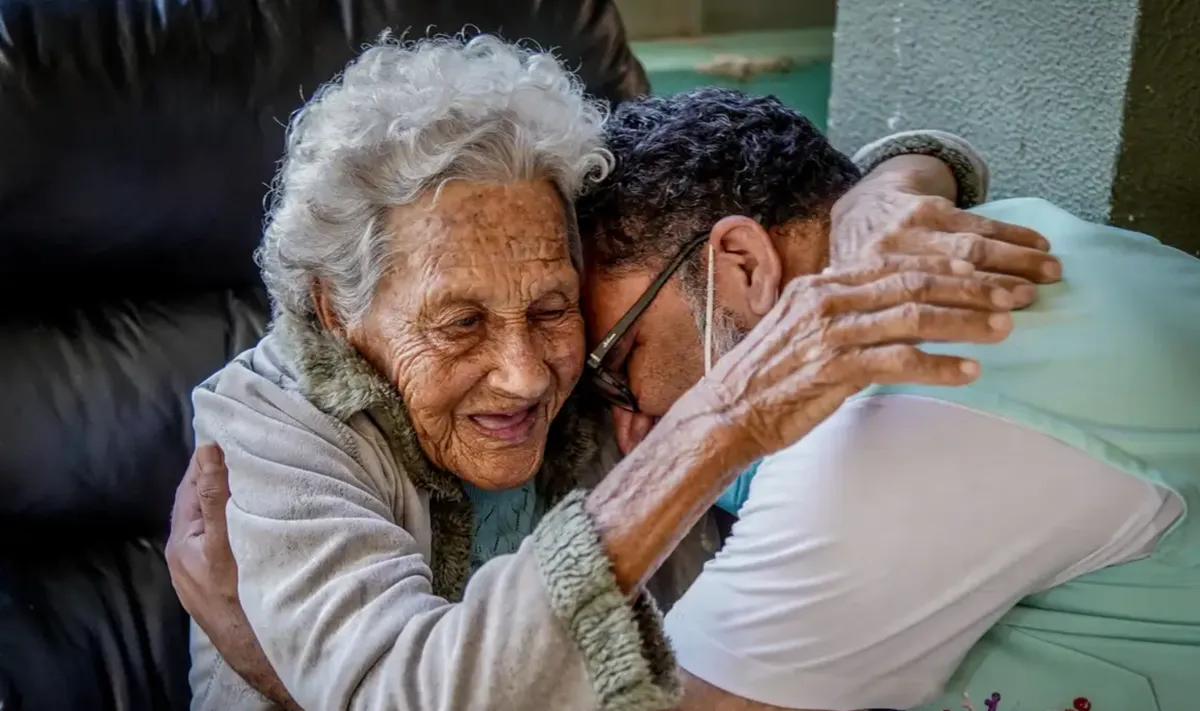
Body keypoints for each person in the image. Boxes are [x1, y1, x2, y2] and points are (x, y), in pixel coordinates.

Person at [166, 36, 1059, 711]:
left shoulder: (599, 354)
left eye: (553, 309)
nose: (524, 377)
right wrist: (721, 421)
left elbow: (770, 215)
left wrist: (896, 179)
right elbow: (413, 690)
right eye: (460, 322)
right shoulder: (273, 425)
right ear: (335, 308)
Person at [574, 87, 1200, 711]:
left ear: (743, 264)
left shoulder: (886, 432)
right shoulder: (1007, 232)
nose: (630, 426)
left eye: (620, 363)